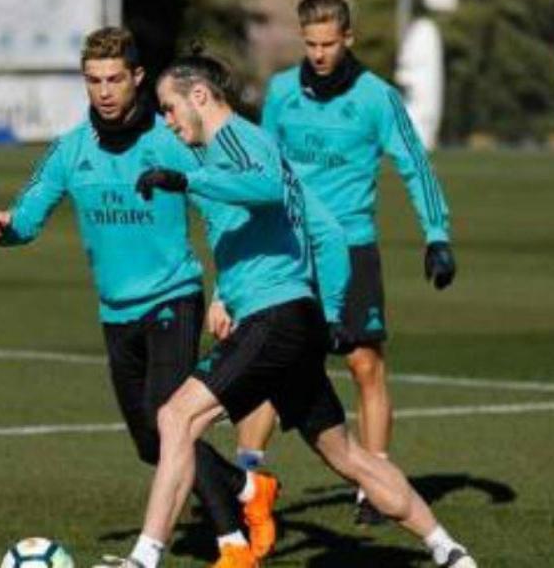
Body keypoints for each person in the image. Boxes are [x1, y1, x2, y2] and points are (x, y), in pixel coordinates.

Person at [96, 49, 476, 568]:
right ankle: (448, 549)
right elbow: (327, 232)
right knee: (345, 454)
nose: (166, 118)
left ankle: (143, 558)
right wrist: (331, 314)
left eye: (168, 107)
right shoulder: (247, 147)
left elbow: (264, 187)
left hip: (272, 320)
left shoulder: (236, 140)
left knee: (175, 417)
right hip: (291, 318)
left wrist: (188, 181)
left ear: (199, 97)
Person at [0, 27, 276, 566]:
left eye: (115, 78)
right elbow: (31, 210)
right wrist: (9, 228)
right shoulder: (71, 150)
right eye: (93, 81)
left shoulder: (171, 142)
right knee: (149, 442)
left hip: (174, 298)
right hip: (115, 312)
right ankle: (248, 488)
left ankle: (232, 543)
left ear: (137, 78)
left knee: (170, 424)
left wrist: (226, 292)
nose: (104, 91)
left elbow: (223, 214)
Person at [230, 0, 458, 524]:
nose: (319, 54)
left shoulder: (378, 99)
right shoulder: (283, 93)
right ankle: (246, 480)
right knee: (269, 360)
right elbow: (260, 167)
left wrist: (437, 235)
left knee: (364, 364)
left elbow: (414, 165)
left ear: (348, 39)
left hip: (352, 247)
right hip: (289, 246)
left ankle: (374, 484)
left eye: (329, 44)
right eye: (310, 44)